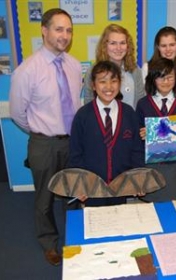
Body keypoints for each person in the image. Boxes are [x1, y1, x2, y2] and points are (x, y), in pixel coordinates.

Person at [9, 8, 82, 266]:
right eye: (58, 28)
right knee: (45, 198)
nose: (65, 35)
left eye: (69, 30)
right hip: (44, 144)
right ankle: (49, 243)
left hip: (72, 142)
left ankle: (75, 238)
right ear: (44, 30)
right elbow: (17, 113)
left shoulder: (74, 66)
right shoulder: (26, 70)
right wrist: (42, 132)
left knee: (74, 192)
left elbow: (76, 103)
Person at [68, 61, 144, 206]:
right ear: (93, 85)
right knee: (97, 224)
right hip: (93, 188)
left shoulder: (129, 113)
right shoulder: (82, 116)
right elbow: (75, 154)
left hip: (121, 187)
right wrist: (79, 183)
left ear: (120, 83)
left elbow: (136, 150)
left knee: (119, 224)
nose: (108, 87)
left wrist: (138, 178)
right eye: (102, 81)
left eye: (114, 81)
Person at [136, 57, 176, 202]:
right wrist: (144, 134)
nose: (166, 81)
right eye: (161, 77)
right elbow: (137, 138)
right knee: (151, 208)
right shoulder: (143, 104)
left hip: (174, 166)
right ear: (153, 79)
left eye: (170, 77)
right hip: (150, 165)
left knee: (171, 205)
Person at [83, 24, 145, 109]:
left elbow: (140, 102)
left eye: (122, 43)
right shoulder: (93, 71)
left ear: (128, 46)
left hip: (129, 121)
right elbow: (88, 103)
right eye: (113, 43)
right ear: (105, 45)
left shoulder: (134, 70)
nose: (118, 48)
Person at [142, 26, 176, 95]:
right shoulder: (147, 67)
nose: (168, 49)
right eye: (163, 46)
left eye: (172, 45)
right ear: (158, 47)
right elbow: (144, 96)